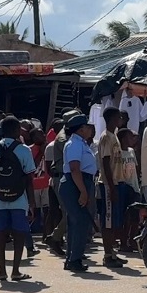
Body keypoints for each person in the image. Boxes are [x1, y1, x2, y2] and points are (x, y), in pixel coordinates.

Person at [0, 116, 37, 281]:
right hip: (19, 199)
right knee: (19, 234)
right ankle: (15, 271)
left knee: (0, 234)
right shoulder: (24, 150)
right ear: (16, 131)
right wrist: (32, 203)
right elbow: (29, 179)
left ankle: (1, 271)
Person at [60, 114, 98, 272]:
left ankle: (72, 257)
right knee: (80, 221)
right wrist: (83, 191)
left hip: (80, 182)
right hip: (75, 183)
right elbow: (75, 168)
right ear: (81, 129)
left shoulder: (81, 143)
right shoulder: (75, 144)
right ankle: (74, 259)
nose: (90, 129)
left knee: (75, 222)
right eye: (88, 127)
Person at [43, 109, 81, 257]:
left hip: (67, 176)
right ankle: (55, 237)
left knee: (72, 212)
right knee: (70, 212)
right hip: (63, 176)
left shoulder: (71, 136)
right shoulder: (64, 138)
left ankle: (69, 245)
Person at [97, 107, 130, 268]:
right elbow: (105, 162)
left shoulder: (114, 137)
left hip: (118, 182)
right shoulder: (106, 138)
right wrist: (112, 187)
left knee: (114, 221)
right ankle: (107, 255)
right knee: (108, 221)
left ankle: (112, 252)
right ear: (111, 119)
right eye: (118, 117)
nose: (121, 120)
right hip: (109, 184)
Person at [117, 128, 141, 253]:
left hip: (134, 186)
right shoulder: (119, 153)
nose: (132, 139)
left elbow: (136, 169)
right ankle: (123, 242)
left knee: (135, 217)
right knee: (125, 217)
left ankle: (132, 240)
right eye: (130, 137)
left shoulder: (131, 151)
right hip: (125, 186)